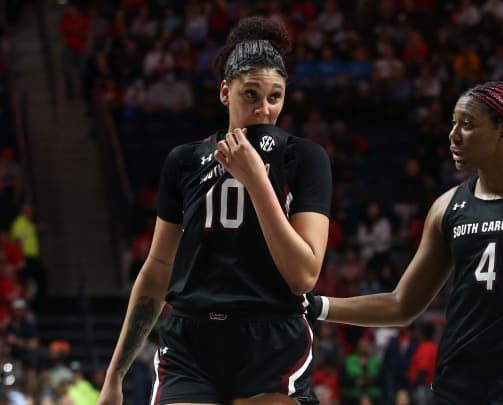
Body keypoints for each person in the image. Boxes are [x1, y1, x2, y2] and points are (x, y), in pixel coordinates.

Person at [308, 81, 503, 404]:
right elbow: (402, 304)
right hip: (459, 379)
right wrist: (316, 306)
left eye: (466, 125)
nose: (453, 135)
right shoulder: (447, 207)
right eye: (454, 123)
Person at [98, 16, 332, 405]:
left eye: (275, 96)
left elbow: (303, 275)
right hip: (192, 341)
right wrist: (114, 376)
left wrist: (256, 178)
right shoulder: (185, 161)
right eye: (251, 95)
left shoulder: (304, 159)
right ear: (225, 92)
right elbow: (157, 270)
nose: (264, 109)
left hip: (271, 338)